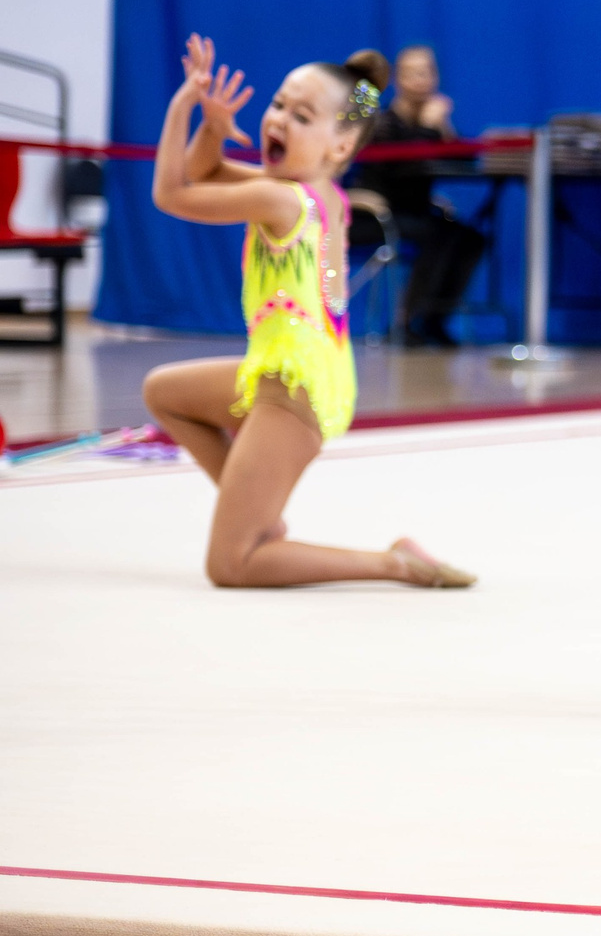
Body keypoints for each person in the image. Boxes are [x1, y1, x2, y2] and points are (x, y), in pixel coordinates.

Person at [139, 36, 475, 589]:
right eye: (277, 105)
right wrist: (214, 129)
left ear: (340, 145)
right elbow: (205, 172)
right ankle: (257, 514)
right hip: (299, 369)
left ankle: (391, 562)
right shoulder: (314, 192)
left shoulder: (281, 199)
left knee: (232, 566)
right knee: (165, 393)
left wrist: (182, 106)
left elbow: (173, 193)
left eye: (301, 115)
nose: (279, 119)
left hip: (292, 389)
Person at [354, 44, 485, 347]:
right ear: (398, 79)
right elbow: (405, 168)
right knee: (437, 236)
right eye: (411, 73)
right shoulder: (383, 123)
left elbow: (466, 161)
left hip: (414, 213)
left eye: (426, 73)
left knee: (469, 239)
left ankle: (434, 319)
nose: (419, 80)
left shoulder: (431, 122)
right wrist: (428, 128)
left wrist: (444, 128)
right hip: (373, 215)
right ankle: (406, 322)